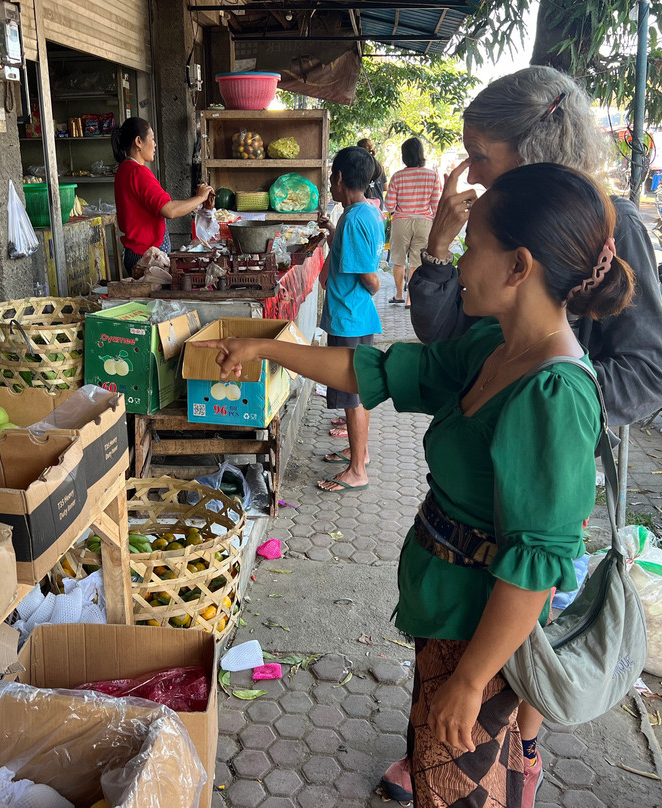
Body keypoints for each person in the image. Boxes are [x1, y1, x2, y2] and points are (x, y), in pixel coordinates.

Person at [200, 162, 635, 808]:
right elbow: (373, 368)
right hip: (448, 616)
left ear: (519, 267)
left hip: (480, 639)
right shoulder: (495, 342)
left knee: (458, 793)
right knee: (444, 776)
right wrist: (268, 350)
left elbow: (538, 565)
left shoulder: (554, 392)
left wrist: (472, 678)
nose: (460, 262)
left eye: (473, 248)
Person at [401, 65, 662, 806]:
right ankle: (469, 747)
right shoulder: (497, 235)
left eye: (481, 157)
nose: (470, 176)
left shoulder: (612, 226)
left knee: (514, 640)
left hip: (542, 489)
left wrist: (545, 404)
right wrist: (440, 250)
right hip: (478, 490)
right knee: (481, 652)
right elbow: (442, 336)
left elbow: (653, 372)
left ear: (534, 151)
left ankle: (496, 758)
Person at [316, 146, 383, 490]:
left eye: (331, 176)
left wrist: (371, 287)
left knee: (353, 395)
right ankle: (361, 454)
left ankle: (357, 470)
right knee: (358, 391)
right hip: (354, 316)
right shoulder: (364, 213)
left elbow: (369, 277)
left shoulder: (354, 218)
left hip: (350, 317)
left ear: (340, 178)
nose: (330, 183)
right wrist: (332, 232)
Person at [112, 117, 213, 273]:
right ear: (139, 141)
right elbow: (169, 210)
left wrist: (197, 202)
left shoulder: (124, 169)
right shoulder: (138, 172)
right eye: (152, 139)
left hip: (136, 253)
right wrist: (199, 198)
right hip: (145, 256)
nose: (155, 145)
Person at [384, 137, 443, 307]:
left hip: (401, 222)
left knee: (398, 260)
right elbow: (436, 206)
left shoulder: (397, 177)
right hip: (424, 222)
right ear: (421, 154)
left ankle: (398, 295)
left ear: (404, 155)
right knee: (416, 263)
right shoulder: (432, 176)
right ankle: (410, 299)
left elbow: (389, 206)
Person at [358, 138, 386, 207]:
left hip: (365, 204)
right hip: (379, 204)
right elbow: (385, 187)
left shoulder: (360, 167)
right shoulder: (379, 166)